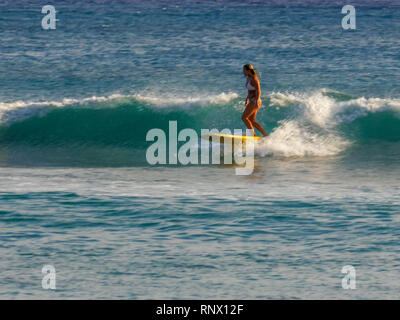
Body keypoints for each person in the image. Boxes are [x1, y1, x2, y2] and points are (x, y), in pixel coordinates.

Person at [242, 64, 268, 137]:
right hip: (252, 101)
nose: (243, 72)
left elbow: (258, 90)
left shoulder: (254, 79)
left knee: (244, 117)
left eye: (244, 70)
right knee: (252, 120)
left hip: (255, 101)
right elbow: (250, 90)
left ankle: (253, 136)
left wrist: (256, 100)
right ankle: (265, 135)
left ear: (248, 70)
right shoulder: (248, 78)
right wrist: (247, 98)